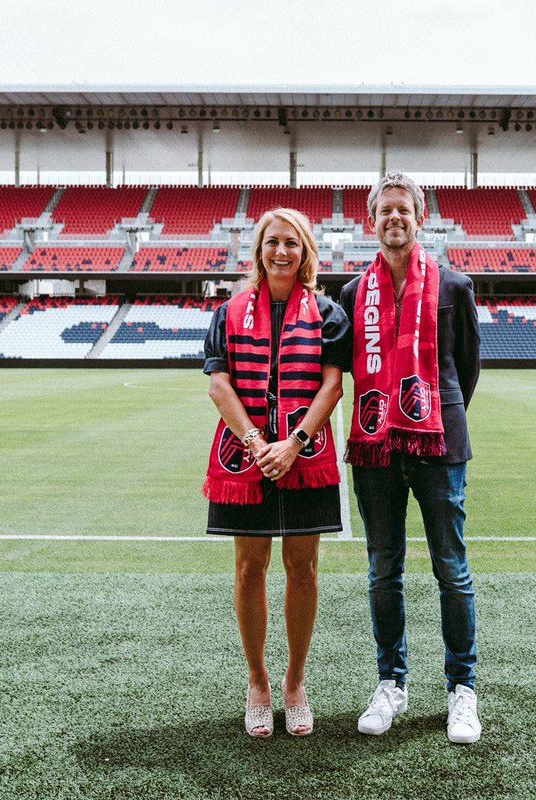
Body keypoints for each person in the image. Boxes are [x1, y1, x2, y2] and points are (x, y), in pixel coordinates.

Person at [339, 171, 482, 744]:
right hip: (376, 448)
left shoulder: (454, 286)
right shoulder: (352, 294)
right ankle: (391, 682)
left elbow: (465, 370)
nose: (394, 218)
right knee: (383, 569)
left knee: (452, 569)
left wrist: (432, 419)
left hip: (438, 445)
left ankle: (461, 689)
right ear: (371, 221)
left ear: (420, 217)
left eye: (404, 209)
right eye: (384, 210)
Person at [202, 207, 350, 738]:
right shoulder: (229, 311)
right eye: (272, 242)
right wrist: (258, 442)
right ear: (259, 250)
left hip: (304, 454)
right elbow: (219, 385)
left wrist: (293, 444)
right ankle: (258, 681)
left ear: (305, 250)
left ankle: (295, 681)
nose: (281, 251)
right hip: (245, 454)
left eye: (291, 242)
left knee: (303, 567)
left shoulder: (328, 313)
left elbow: (332, 386)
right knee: (249, 567)